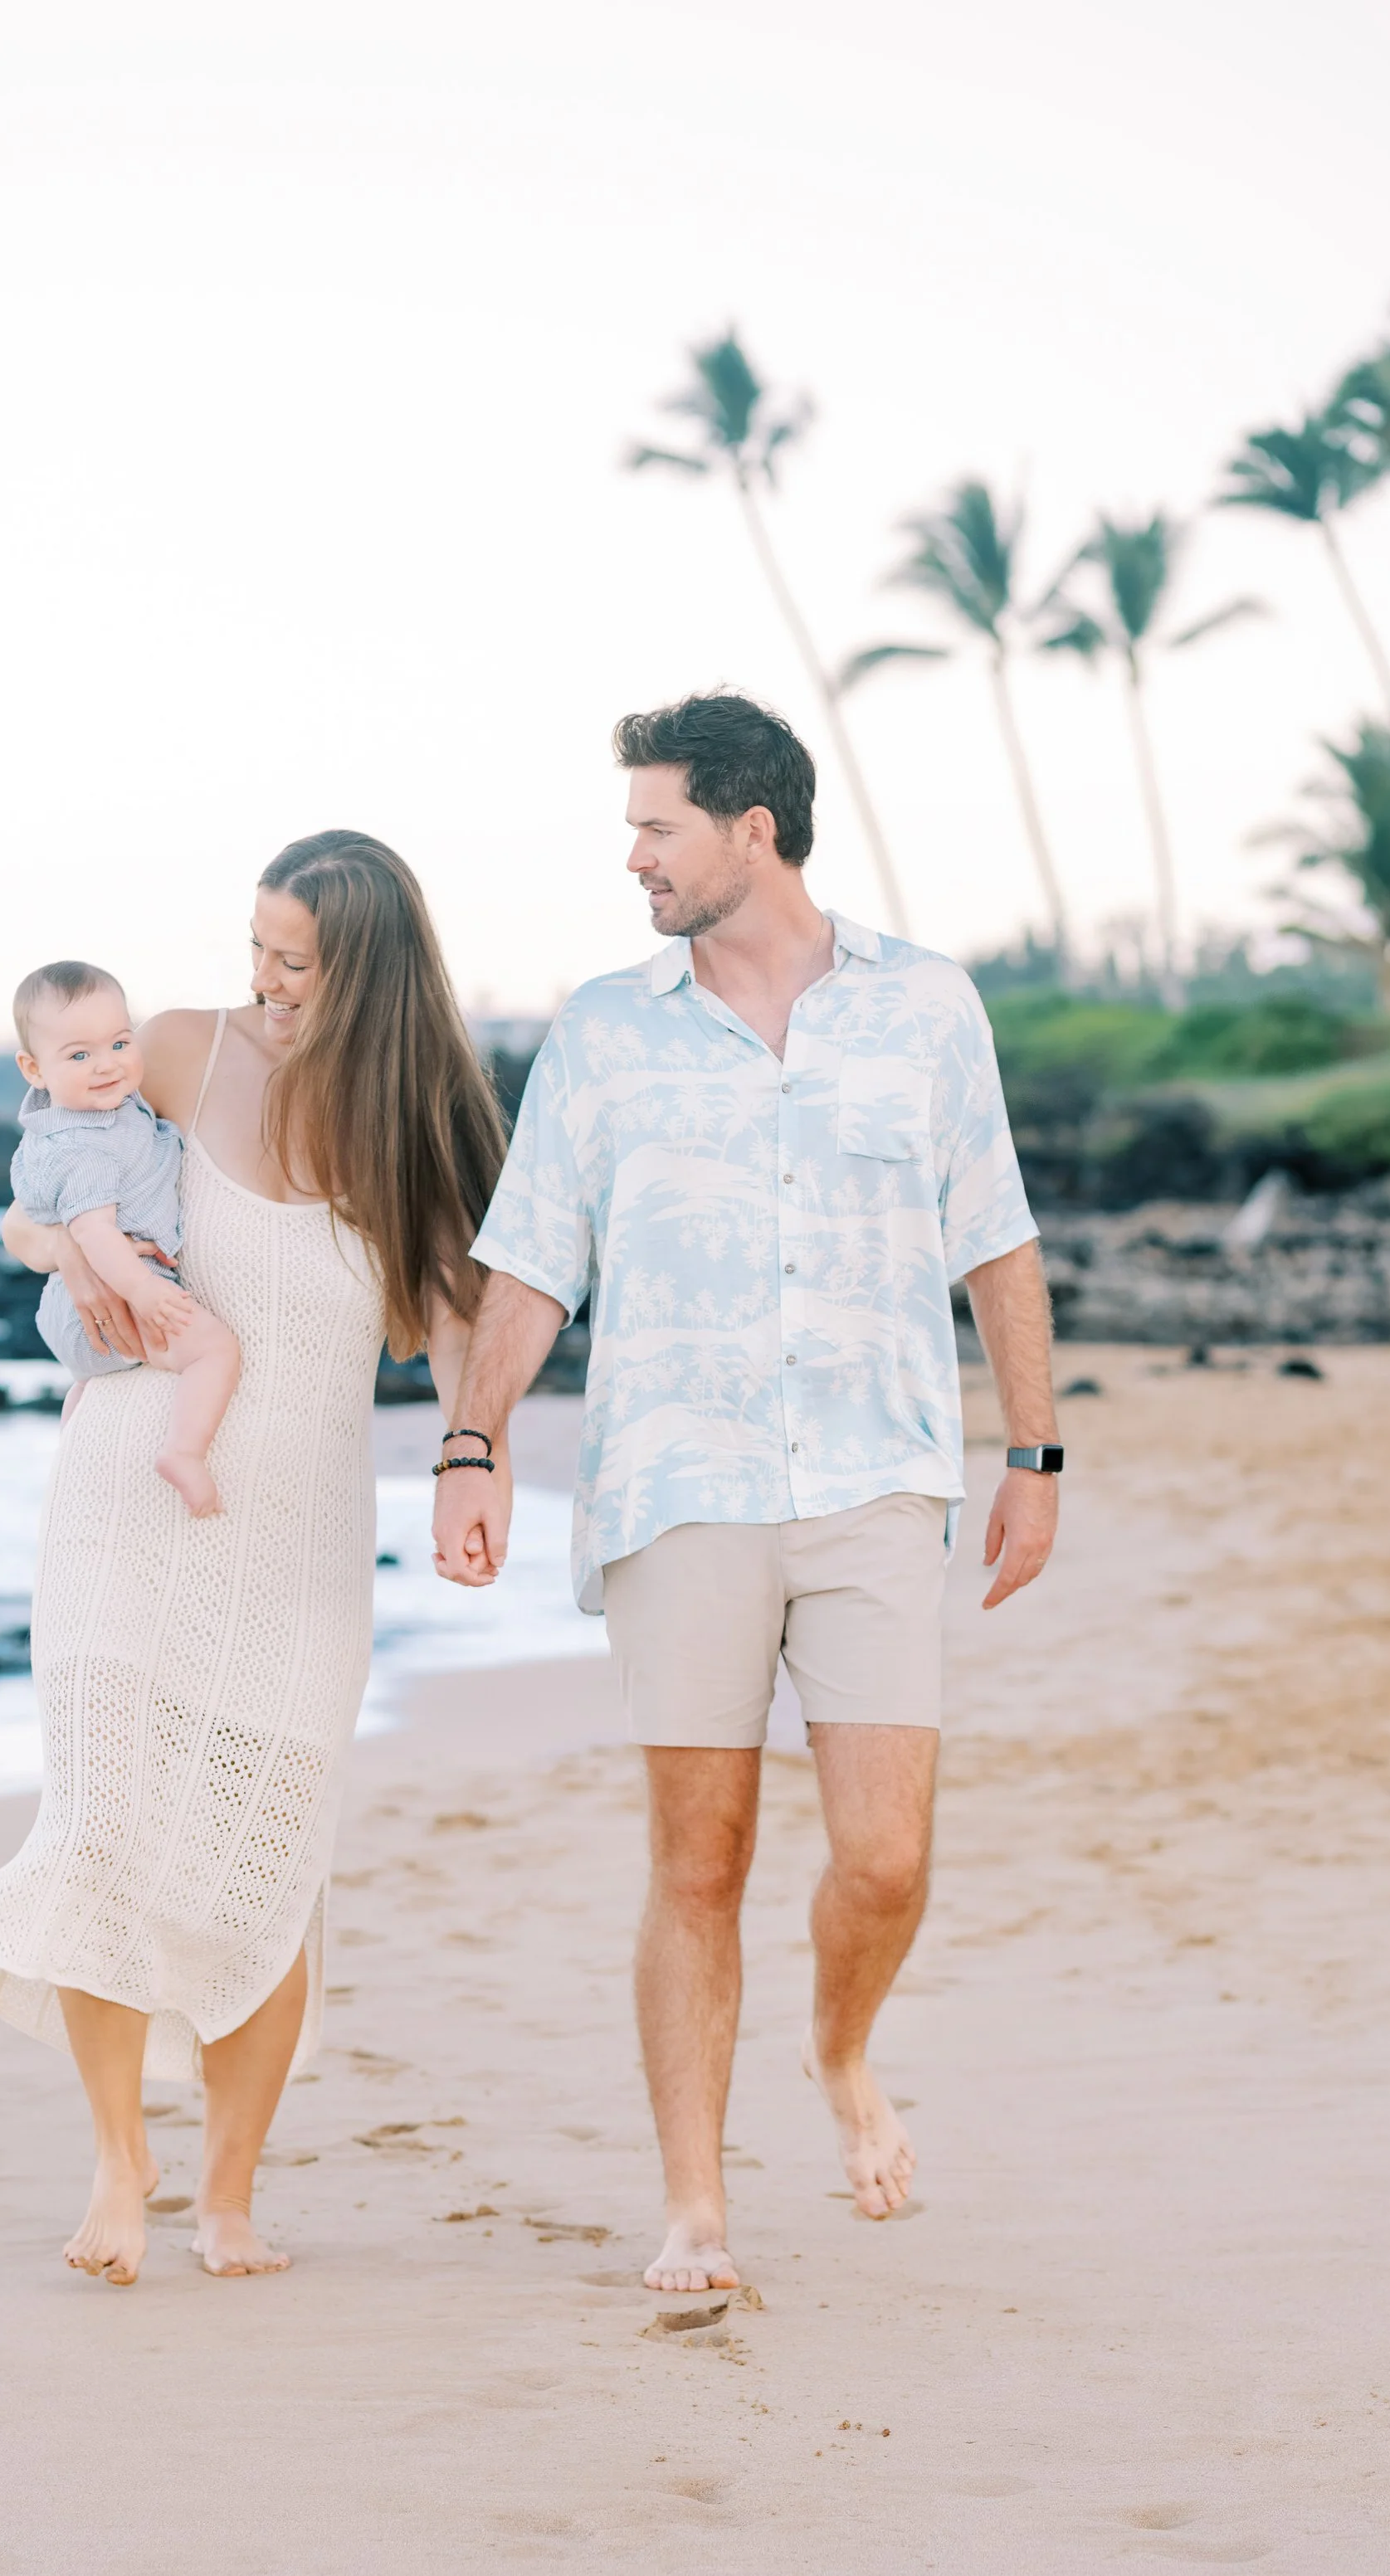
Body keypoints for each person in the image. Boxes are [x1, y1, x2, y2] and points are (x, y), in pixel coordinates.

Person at [432, 691, 1059, 2295]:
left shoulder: (926, 1007)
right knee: (698, 1861)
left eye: (658, 826)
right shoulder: (603, 1030)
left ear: (752, 828)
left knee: (885, 1858)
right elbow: (532, 1258)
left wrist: (1035, 1457)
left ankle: (840, 2049)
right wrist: (472, 1443)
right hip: (679, 1483)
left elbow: (995, 1235)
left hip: (877, 1478)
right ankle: (696, 2211)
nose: (633, 855)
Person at [0, 832, 505, 2284]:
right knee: (101, 1827)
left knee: (263, 1862)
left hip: (298, 1536)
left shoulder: (418, 1124)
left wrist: (473, 1460)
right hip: (126, 1496)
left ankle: (228, 2193)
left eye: (296, 961)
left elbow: (459, 1319)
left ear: (370, 972)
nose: (264, 980)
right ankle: (118, 2161)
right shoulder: (183, 1053)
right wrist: (74, 1260)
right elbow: (34, 1198)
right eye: (256, 946)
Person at [7, 957, 241, 1515]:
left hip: (69, 1309)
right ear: (34, 1069)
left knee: (89, 1385)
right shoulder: (85, 1149)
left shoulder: (86, 1112)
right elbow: (93, 1232)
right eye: (79, 1055)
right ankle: (184, 1454)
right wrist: (145, 1290)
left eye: (119, 1043)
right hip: (114, 1295)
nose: (107, 1065)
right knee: (214, 1350)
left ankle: (73, 1450)